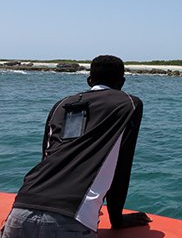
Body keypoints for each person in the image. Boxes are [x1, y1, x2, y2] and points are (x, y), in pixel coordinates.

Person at [1, 55, 151, 238]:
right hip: (70, 220)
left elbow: (47, 157)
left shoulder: (62, 104)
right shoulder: (129, 104)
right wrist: (117, 220)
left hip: (20, 211)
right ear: (122, 82)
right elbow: (121, 166)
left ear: (89, 80)